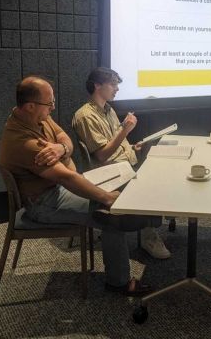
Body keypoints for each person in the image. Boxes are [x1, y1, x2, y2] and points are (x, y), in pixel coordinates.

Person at [0, 76, 153, 296]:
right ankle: (118, 283)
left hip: (56, 189)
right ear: (31, 106)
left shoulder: (37, 118)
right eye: (49, 103)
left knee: (114, 197)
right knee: (112, 215)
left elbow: (65, 138)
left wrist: (61, 149)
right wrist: (106, 197)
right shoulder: (23, 142)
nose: (53, 108)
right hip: (43, 203)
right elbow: (67, 178)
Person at [72, 67, 171, 259]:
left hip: (124, 163)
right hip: (108, 171)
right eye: (113, 84)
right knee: (152, 184)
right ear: (97, 85)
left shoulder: (108, 109)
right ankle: (149, 236)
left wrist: (132, 147)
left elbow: (114, 142)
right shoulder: (85, 116)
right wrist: (125, 130)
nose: (117, 89)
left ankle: (147, 229)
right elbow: (102, 155)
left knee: (160, 169)